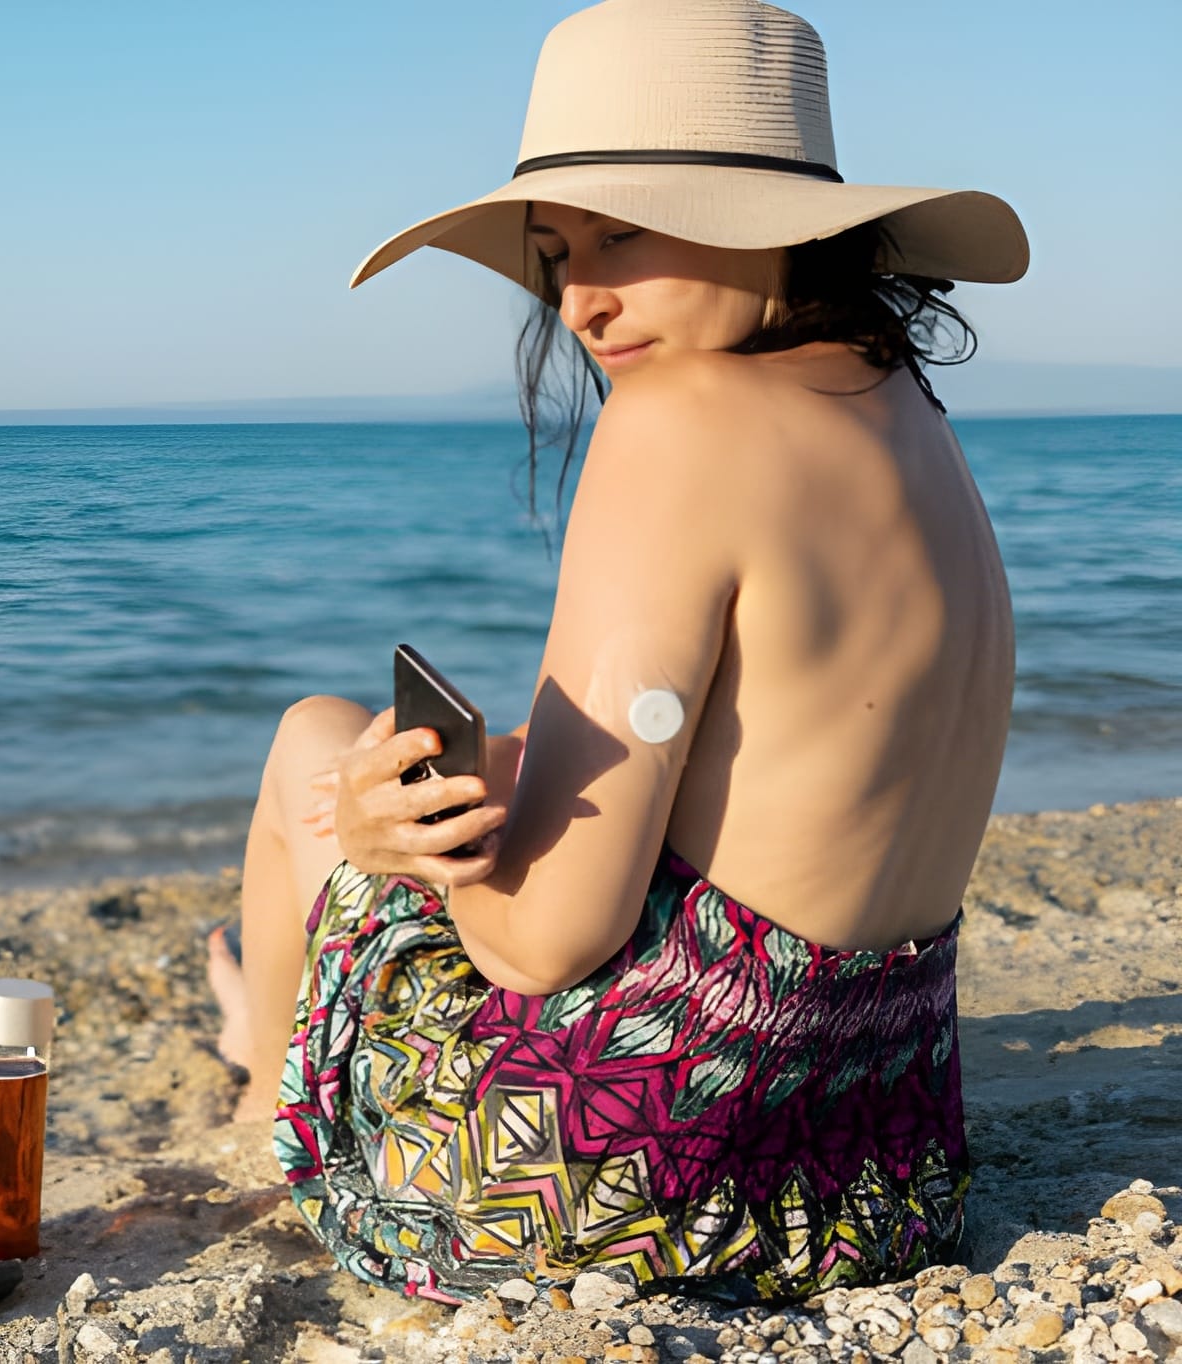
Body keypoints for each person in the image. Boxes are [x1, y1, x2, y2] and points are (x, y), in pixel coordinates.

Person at [203, 0, 1026, 1306]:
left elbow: (542, 947)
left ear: (770, 226)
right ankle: (273, 1032)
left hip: (618, 1194)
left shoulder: (678, 419)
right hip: (874, 1182)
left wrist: (391, 845)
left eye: (622, 234)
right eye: (558, 252)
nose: (580, 301)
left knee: (317, 737)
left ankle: (263, 1086)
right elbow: (760, 780)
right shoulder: (907, 417)